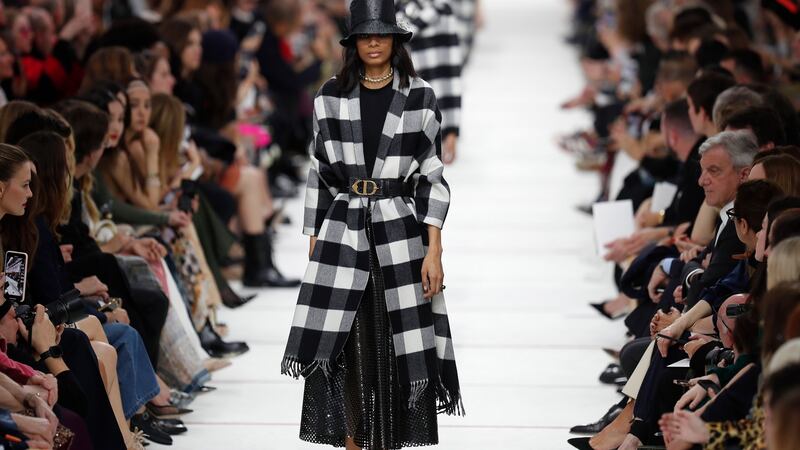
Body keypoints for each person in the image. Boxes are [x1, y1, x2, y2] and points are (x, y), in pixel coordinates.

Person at [281, 1, 463, 448]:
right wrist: (314, 238)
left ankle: (387, 441)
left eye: (382, 34)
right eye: (365, 34)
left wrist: (434, 251)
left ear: (397, 39)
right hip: (343, 231)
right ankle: (353, 441)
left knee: (398, 347)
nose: (375, 42)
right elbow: (320, 170)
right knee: (345, 346)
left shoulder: (419, 96)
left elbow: (432, 177)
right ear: (353, 42)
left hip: (401, 233)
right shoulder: (330, 95)